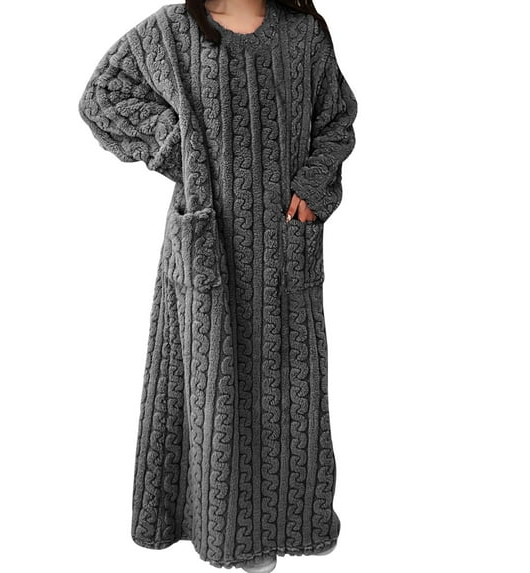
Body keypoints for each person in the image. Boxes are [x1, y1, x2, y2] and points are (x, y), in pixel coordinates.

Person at [78, 1, 357, 571]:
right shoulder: (173, 31)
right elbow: (101, 96)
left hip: (284, 249)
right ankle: (228, 535)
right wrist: (174, 143)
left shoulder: (304, 34)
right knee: (212, 394)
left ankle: (293, 522)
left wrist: (313, 187)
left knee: (292, 393)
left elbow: (336, 120)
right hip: (208, 245)